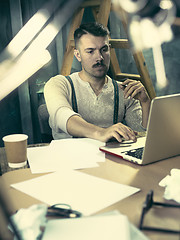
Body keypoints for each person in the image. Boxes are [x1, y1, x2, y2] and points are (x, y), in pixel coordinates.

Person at [44, 22, 151, 143]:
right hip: (69, 158)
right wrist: (101, 132)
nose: (99, 57)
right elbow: (61, 116)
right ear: (78, 55)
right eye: (90, 51)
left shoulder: (124, 90)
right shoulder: (59, 84)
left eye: (104, 50)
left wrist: (145, 103)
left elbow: (142, 136)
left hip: (109, 158)